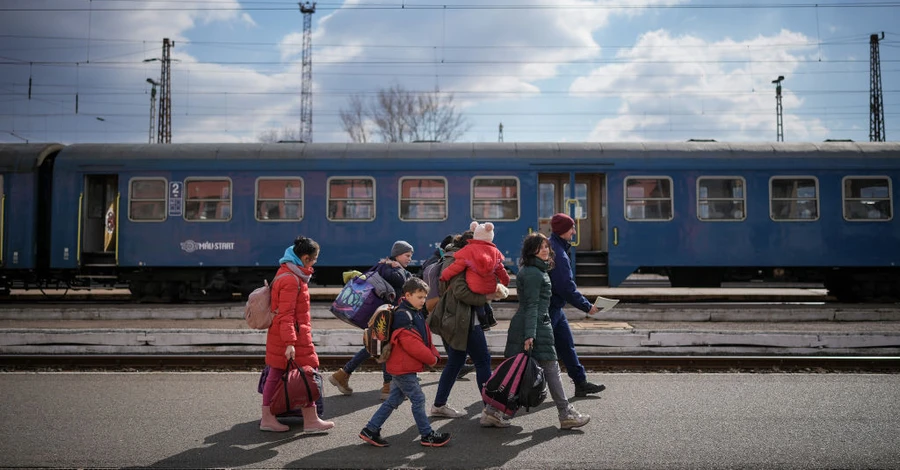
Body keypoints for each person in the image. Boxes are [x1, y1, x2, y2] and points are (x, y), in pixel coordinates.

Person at [483, 232, 590, 429]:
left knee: (519, 370)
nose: (545, 250)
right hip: (535, 326)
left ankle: (492, 412)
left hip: (534, 324)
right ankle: (565, 414)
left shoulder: (535, 270)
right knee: (550, 369)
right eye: (540, 247)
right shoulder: (533, 273)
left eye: (547, 247)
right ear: (531, 250)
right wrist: (530, 335)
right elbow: (532, 305)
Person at [358, 278, 451, 448]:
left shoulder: (413, 311)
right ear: (407, 295)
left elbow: (424, 339)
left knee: (393, 400)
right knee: (418, 399)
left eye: (424, 297)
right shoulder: (403, 315)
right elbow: (412, 344)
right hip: (402, 368)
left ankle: (370, 429)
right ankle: (427, 434)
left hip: (402, 366)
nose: (423, 300)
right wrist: (431, 359)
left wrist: (434, 353)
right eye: (420, 297)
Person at [260, 236, 335, 433]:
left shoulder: (289, 273)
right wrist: (290, 343)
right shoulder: (292, 280)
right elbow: (286, 315)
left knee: (295, 374)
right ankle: (272, 419)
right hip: (291, 337)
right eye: (314, 258)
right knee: (300, 374)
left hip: (289, 335)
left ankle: (309, 419)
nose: (316, 262)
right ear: (305, 258)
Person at [330, 240, 414, 400]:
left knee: (375, 346)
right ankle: (387, 387)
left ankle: (342, 374)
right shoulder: (389, 268)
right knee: (382, 347)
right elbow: (402, 282)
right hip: (384, 316)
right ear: (397, 254)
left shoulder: (391, 267)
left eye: (410, 256)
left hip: (383, 315)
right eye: (407, 255)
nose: (409, 259)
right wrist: (403, 271)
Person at [428, 231, 499, 420]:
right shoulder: (459, 260)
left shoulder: (454, 257)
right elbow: (460, 291)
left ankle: (439, 405)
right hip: (463, 320)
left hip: (455, 318)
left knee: (456, 361)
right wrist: (485, 297)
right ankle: (490, 410)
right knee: (483, 361)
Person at [548, 213, 606, 397]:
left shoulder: (556, 246)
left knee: (566, 345)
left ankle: (581, 383)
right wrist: (587, 306)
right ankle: (512, 388)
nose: (574, 231)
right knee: (536, 353)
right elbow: (566, 287)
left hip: (555, 307)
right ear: (563, 230)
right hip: (549, 309)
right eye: (571, 228)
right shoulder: (558, 252)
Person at [422, 234, 475, 380]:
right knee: (449, 336)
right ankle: (457, 367)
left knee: (448, 335)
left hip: (436, 304)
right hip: (440, 304)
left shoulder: (437, 259)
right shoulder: (444, 261)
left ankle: (457, 366)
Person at [438, 221, 509, 329]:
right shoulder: (495, 252)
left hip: (474, 286)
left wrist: (444, 276)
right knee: (484, 299)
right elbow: (501, 270)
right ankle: (488, 318)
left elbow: (455, 268)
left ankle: (483, 320)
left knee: (477, 299)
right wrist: (505, 281)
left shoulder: (468, 250)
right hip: (490, 287)